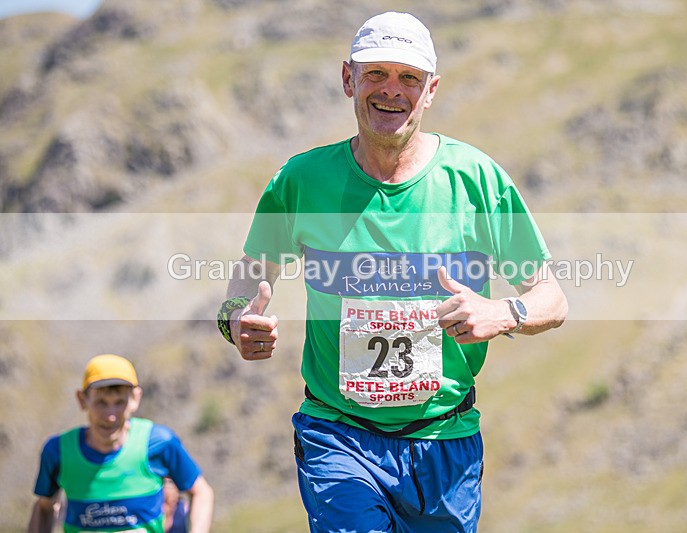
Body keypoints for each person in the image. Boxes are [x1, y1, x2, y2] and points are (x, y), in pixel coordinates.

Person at [217, 11, 568, 533]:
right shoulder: (300, 181)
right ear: (348, 79)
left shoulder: (476, 179)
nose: (391, 90)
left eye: (409, 78)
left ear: (431, 91)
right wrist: (235, 321)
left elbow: (551, 298)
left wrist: (504, 312)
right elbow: (246, 281)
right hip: (338, 435)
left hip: (445, 440)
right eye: (376, 73)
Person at [28, 354, 214, 533]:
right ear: (82, 399)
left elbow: (201, 492)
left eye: (119, 402)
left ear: (135, 399)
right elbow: (44, 507)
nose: (110, 416)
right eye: (101, 402)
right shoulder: (59, 452)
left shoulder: (159, 443)